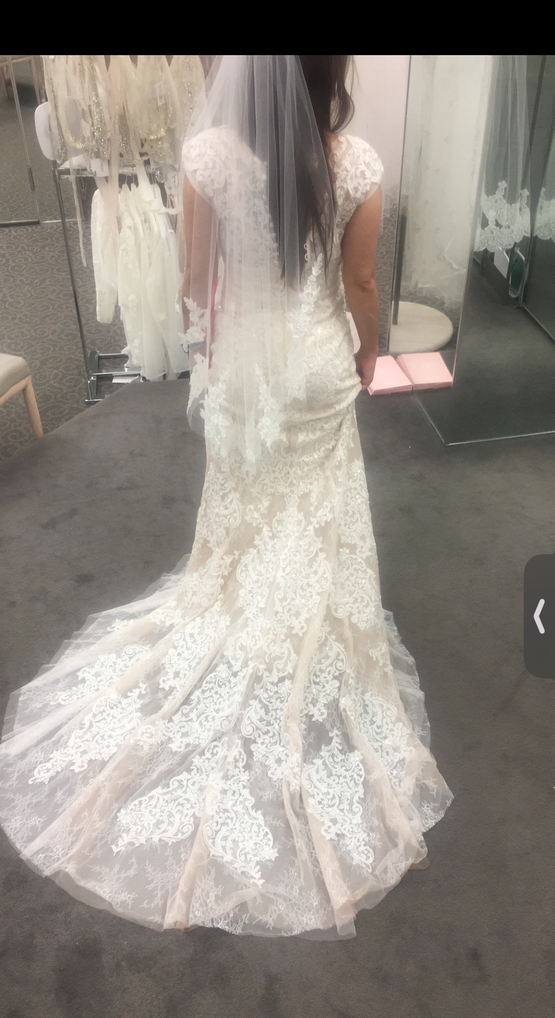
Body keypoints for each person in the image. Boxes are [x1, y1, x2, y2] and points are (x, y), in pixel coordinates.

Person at [0, 56, 453, 940]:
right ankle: (305, 609)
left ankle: (241, 599)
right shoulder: (356, 163)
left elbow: (193, 277)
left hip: (245, 368)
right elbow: (359, 285)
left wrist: (214, 352)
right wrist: (367, 357)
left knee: (245, 504)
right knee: (314, 506)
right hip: (316, 366)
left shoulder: (206, 155)